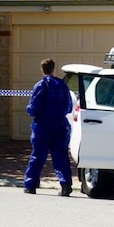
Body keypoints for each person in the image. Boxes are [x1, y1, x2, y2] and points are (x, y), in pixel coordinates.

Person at [24, 58, 73, 196]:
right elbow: (68, 107)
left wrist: (31, 111)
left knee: (37, 156)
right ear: (54, 69)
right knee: (61, 156)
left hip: (42, 126)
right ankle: (65, 185)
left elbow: (33, 108)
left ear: (42, 70)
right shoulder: (62, 85)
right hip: (60, 125)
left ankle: (30, 185)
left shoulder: (40, 86)